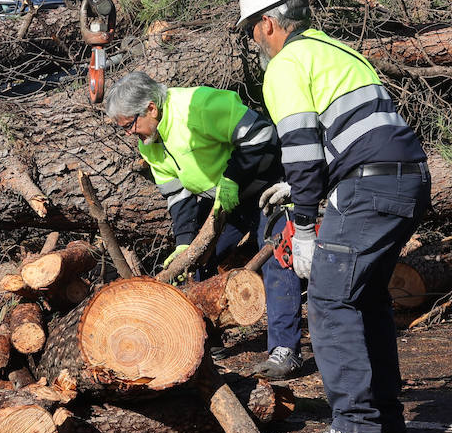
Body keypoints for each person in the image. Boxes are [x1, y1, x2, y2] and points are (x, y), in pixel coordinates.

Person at [237, 0, 430, 433]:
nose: (255, 44)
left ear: (268, 25)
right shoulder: (336, 50)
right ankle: (384, 424)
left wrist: (301, 226)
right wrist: (306, 184)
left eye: (252, 32)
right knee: (365, 300)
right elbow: (341, 137)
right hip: (405, 178)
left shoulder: (285, 65)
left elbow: (301, 151)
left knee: (328, 299)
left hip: (368, 184)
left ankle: (356, 430)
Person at [105, 71, 305, 380]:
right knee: (196, 261)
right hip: (224, 202)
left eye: (130, 125)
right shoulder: (150, 141)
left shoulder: (198, 107)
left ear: (151, 109)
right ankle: (207, 342)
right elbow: (177, 195)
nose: (130, 133)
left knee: (278, 258)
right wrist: (186, 242)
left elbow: (262, 135)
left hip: (267, 185)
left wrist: (233, 178)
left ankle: (285, 351)